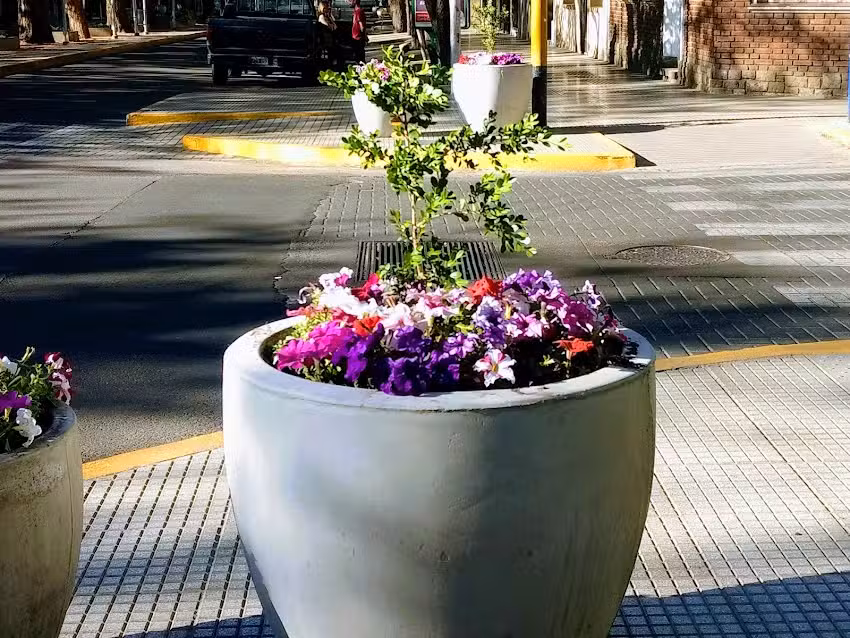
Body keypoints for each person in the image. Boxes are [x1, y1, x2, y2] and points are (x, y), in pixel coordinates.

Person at [317, 1, 338, 67]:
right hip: (325, 38)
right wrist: (331, 25)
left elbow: (335, 26)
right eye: (327, 7)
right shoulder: (321, 17)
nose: (328, 9)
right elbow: (329, 27)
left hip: (330, 38)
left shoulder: (328, 17)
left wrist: (330, 18)